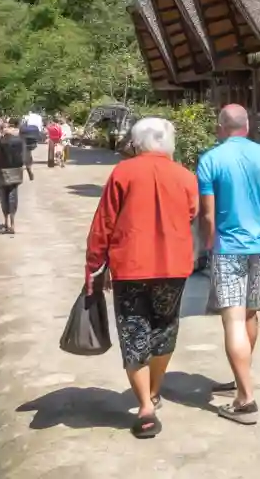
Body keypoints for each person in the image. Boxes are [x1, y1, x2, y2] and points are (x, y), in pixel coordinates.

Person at [84, 117, 199, 439]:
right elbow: (190, 213)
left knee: (134, 330)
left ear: (137, 142)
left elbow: (104, 223)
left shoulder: (123, 172)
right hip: (173, 267)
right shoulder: (185, 176)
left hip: (130, 267)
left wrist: (95, 266)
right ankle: (154, 391)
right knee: (164, 327)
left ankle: (145, 408)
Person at [196, 104, 260, 425]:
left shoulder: (210, 160)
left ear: (221, 127)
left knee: (233, 319)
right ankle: (241, 376)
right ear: (247, 125)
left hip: (228, 248)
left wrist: (207, 242)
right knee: (249, 313)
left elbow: (207, 213)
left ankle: (246, 399)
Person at [0, 124, 32, 234]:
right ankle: (12, 223)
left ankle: (6, 222)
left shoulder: (0, 140)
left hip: (2, 172)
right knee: (13, 196)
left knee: (3, 196)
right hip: (16, 172)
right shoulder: (21, 141)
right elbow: (26, 157)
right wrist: (30, 172)